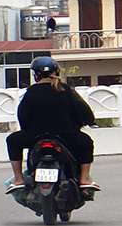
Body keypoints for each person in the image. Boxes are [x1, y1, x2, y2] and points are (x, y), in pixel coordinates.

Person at [6, 55, 98, 194]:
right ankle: (84, 179)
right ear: (57, 72)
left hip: (36, 137)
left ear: (36, 74)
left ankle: (18, 179)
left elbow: (23, 117)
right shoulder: (65, 90)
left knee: (12, 140)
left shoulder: (31, 92)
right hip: (66, 137)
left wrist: (29, 130)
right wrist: (89, 121)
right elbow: (83, 110)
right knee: (86, 142)